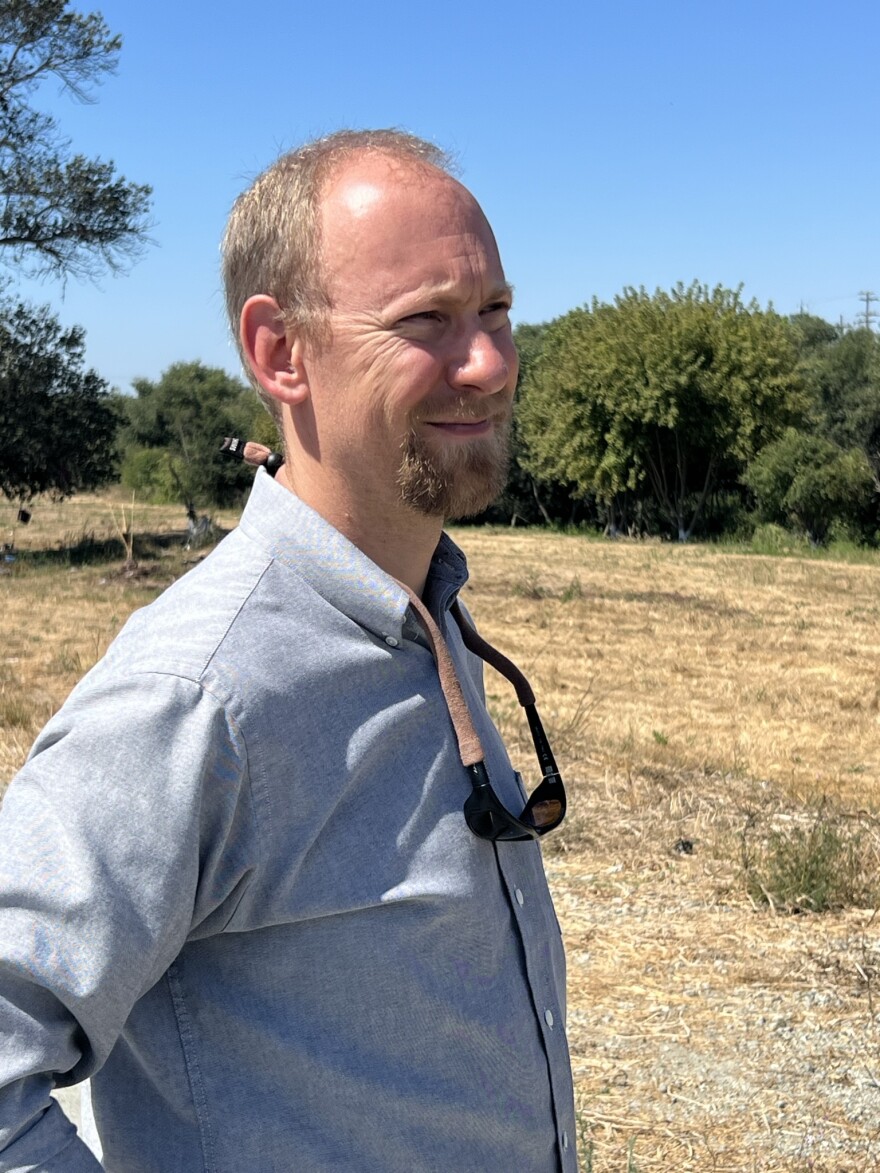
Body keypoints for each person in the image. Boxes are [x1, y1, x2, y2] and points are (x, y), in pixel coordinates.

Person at [0, 129, 577, 1171]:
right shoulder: (199, 695)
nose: (489, 363)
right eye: (426, 321)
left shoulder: (427, 612)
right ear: (279, 352)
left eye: (495, 311)